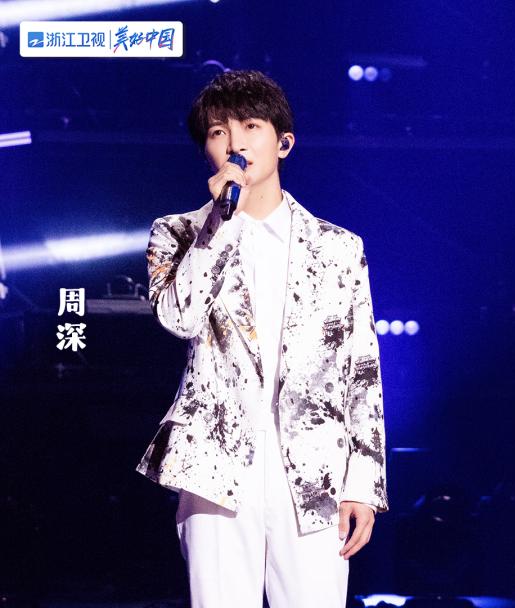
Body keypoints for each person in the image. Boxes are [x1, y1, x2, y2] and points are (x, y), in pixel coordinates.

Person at [135, 69, 388, 607]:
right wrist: (221, 222)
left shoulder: (339, 248)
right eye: (218, 131)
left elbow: (362, 369)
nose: (236, 142)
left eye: (250, 126)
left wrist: (363, 483)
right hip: (214, 464)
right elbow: (180, 317)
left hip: (315, 471)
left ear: (283, 142)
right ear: (206, 150)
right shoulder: (177, 233)